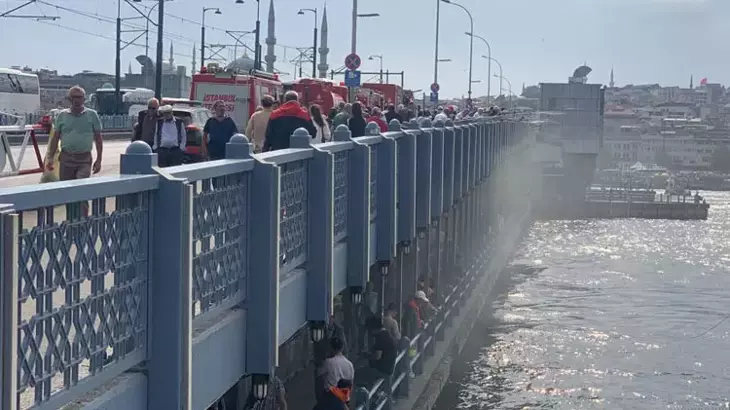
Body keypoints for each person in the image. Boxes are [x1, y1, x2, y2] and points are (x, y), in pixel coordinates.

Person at [46, 85, 103, 181]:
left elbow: (98, 139)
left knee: (80, 183)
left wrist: (99, 160)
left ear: (84, 99)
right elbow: (55, 138)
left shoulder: (92, 115)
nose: (77, 100)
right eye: (74, 97)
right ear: (69, 99)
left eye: (79, 97)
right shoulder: (62, 115)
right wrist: (50, 158)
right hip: (66, 159)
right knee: (67, 188)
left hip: (84, 159)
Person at [313, 316, 347, 401]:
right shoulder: (318, 328)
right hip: (322, 363)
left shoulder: (339, 330)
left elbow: (344, 348)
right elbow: (316, 346)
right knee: (320, 391)